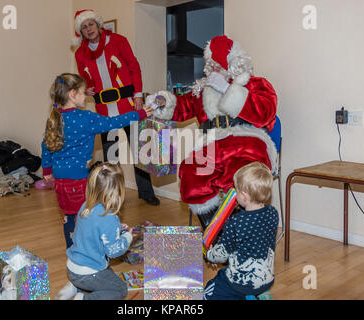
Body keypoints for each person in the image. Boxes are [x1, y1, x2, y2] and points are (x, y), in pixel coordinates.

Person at [145, 35, 278, 229]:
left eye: (220, 65)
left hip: (247, 141)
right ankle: (217, 235)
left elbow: (265, 113)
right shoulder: (202, 90)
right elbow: (182, 107)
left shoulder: (256, 84)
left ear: (234, 63)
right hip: (213, 144)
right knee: (190, 172)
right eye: (212, 64)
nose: (214, 69)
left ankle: (244, 231)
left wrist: (227, 89)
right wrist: (164, 102)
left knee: (243, 176)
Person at [41, 73, 152, 248]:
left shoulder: (55, 118)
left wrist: (47, 171)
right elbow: (115, 122)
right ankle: (86, 251)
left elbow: (45, 144)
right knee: (86, 216)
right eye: (83, 92)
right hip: (78, 179)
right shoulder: (85, 118)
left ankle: (73, 250)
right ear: (72, 94)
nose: (86, 96)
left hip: (59, 180)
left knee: (69, 217)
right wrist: (140, 114)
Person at [73, 9, 160, 206]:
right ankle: (113, 194)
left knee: (140, 151)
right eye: (84, 27)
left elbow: (134, 67)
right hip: (105, 111)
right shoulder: (80, 53)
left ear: (98, 24)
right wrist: (86, 89)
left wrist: (138, 94)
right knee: (111, 155)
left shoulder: (119, 41)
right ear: (81, 32)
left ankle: (146, 192)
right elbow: (84, 78)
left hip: (128, 105)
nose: (89, 29)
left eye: (91, 24)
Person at [55, 163, 133, 300]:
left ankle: (73, 287)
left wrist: (118, 228)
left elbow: (93, 229)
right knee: (120, 289)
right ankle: (82, 298)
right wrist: (127, 237)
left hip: (72, 267)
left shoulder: (85, 206)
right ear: (118, 192)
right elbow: (113, 252)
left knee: (107, 271)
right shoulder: (109, 218)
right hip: (88, 273)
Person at [203, 162, 279, 300]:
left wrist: (210, 255)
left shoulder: (236, 222)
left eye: (236, 190)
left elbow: (222, 255)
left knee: (210, 290)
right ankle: (259, 293)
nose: (234, 193)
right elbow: (253, 240)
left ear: (244, 196)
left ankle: (248, 294)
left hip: (240, 283)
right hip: (266, 278)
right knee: (234, 268)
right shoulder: (273, 213)